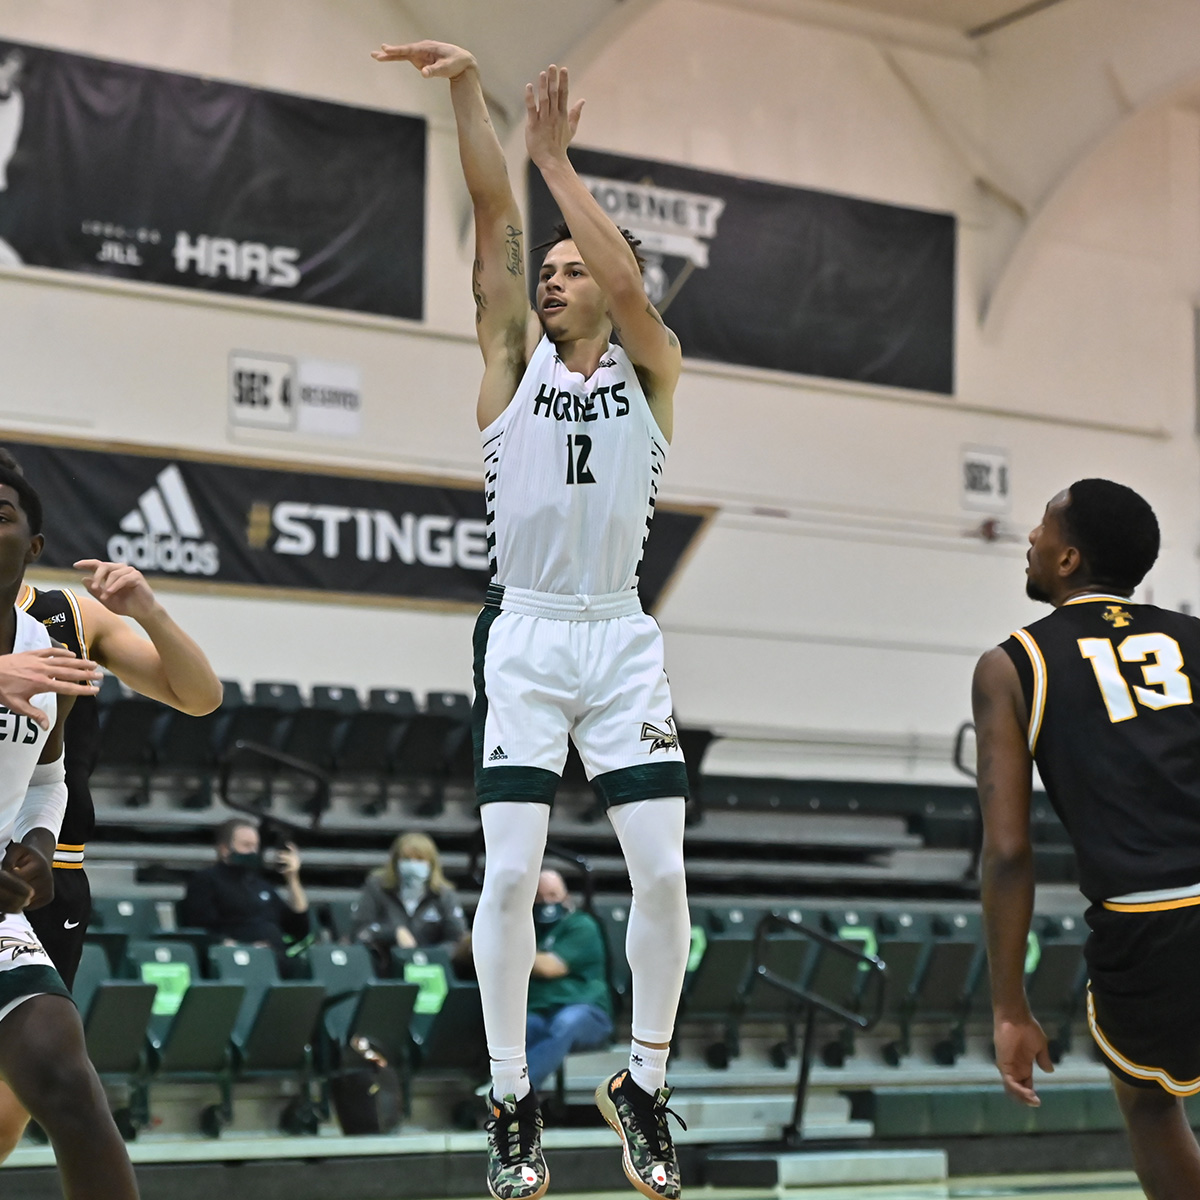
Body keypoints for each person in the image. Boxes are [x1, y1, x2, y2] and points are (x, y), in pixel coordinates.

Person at [374, 40, 691, 1200]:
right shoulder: (512, 364)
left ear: (608, 281)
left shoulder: (652, 369)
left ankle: (644, 1086)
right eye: (545, 270)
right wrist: (472, 94)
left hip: (619, 638)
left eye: (571, 269)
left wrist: (563, 167)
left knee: (663, 880)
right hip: (525, 634)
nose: (550, 278)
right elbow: (491, 207)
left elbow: (627, 285)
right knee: (509, 880)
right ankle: (511, 1099)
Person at [973, 478, 1200, 1200]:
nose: (1029, 541)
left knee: (1151, 1107)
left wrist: (1010, 1005)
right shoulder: (1196, 640)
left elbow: (1008, 852)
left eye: (1041, 528)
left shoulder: (1011, 665)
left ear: (1068, 559)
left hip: (1149, 919)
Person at [0, 444, 225, 1162]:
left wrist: (149, 610)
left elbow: (198, 697)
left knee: (14, 1109)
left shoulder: (69, 615)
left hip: (45, 871)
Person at [0, 463, 140, 1198]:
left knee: (64, 1079)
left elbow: (48, 777)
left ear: (33, 544)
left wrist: (39, 846)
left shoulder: (46, 641)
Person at [180, 818, 310, 969]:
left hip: (275, 961)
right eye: (246, 846)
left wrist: (292, 879)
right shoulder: (206, 880)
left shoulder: (261, 884)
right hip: (238, 962)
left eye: (256, 846)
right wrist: (245, 948)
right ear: (224, 849)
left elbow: (299, 928)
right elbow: (201, 930)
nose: (253, 852)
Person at [526, 870, 613, 1092]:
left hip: (586, 1012)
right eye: (539, 897)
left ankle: (516, 1095)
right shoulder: (526, 927)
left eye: (553, 895)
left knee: (565, 1024)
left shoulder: (581, 925)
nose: (546, 902)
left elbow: (551, 967)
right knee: (519, 1029)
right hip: (537, 1011)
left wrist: (507, 949)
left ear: (566, 898)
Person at [350, 831, 467, 963]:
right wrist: (393, 933)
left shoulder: (444, 895)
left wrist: (428, 956)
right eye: (406, 859)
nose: (412, 865)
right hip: (386, 967)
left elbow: (457, 940)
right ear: (395, 863)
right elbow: (360, 932)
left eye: (419, 860)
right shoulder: (376, 888)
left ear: (431, 864)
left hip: (432, 967)